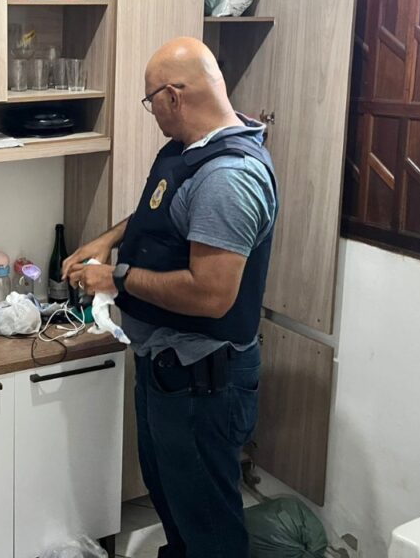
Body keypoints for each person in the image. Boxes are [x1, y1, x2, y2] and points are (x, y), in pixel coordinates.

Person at [65, 37, 278, 558]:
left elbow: (211, 295)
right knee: (175, 505)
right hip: (170, 370)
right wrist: (109, 239)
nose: (152, 111)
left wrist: (116, 279)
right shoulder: (192, 151)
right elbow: (165, 216)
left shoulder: (229, 178)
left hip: (205, 382)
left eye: (150, 100)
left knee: (209, 528)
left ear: (173, 96)